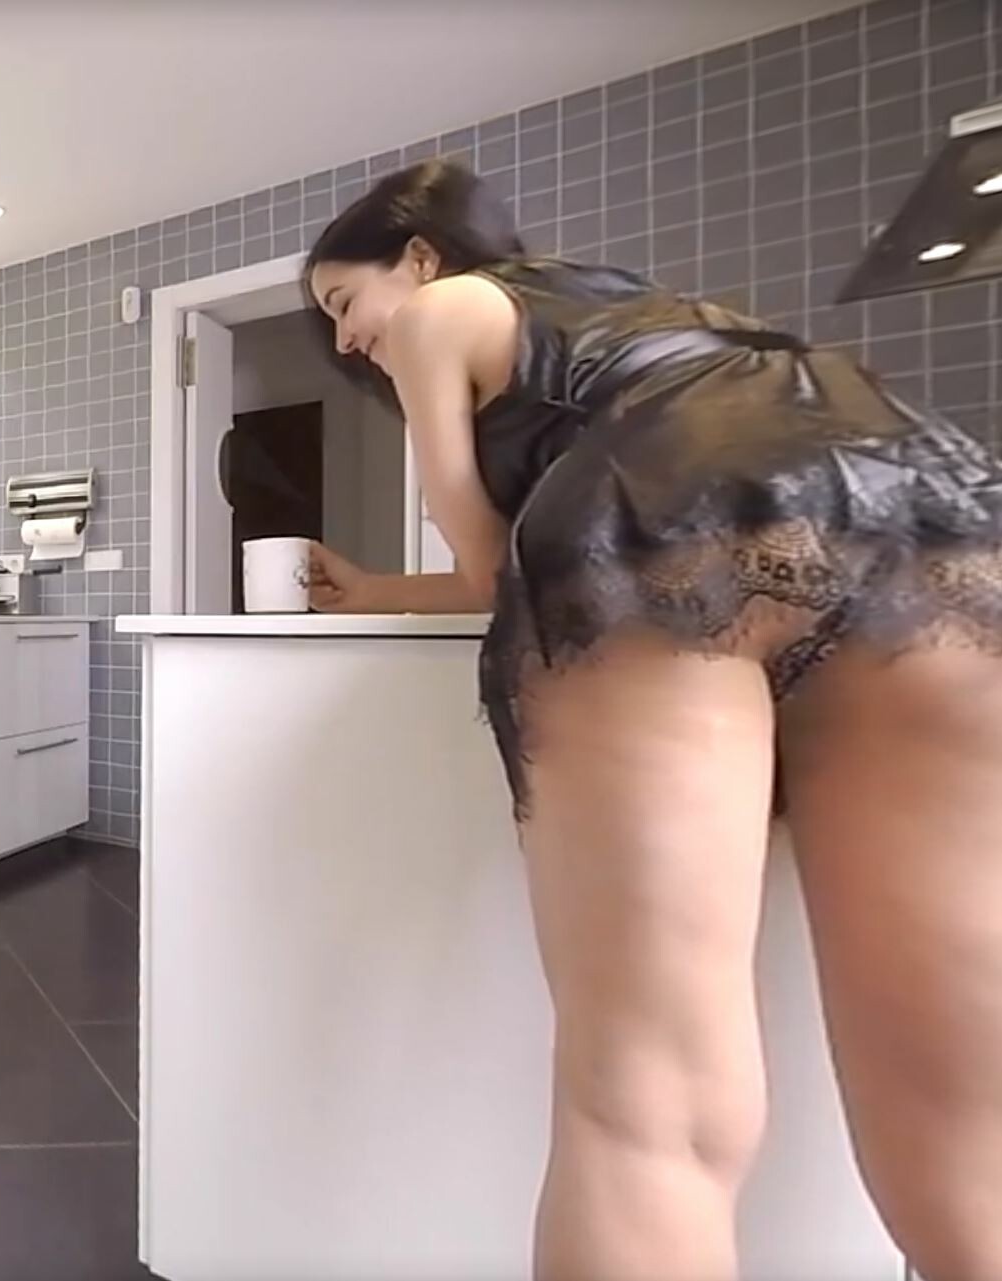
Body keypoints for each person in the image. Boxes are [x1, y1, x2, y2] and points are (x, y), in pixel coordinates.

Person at [299, 157, 1002, 1280]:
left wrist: (387, 584)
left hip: (661, 513)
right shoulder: (651, 309)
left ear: (419, 258)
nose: (345, 341)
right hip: (921, 499)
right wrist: (377, 589)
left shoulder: (439, 311)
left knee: (651, 1109)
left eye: (343, 301)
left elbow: (486, 564)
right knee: (967, 1098)